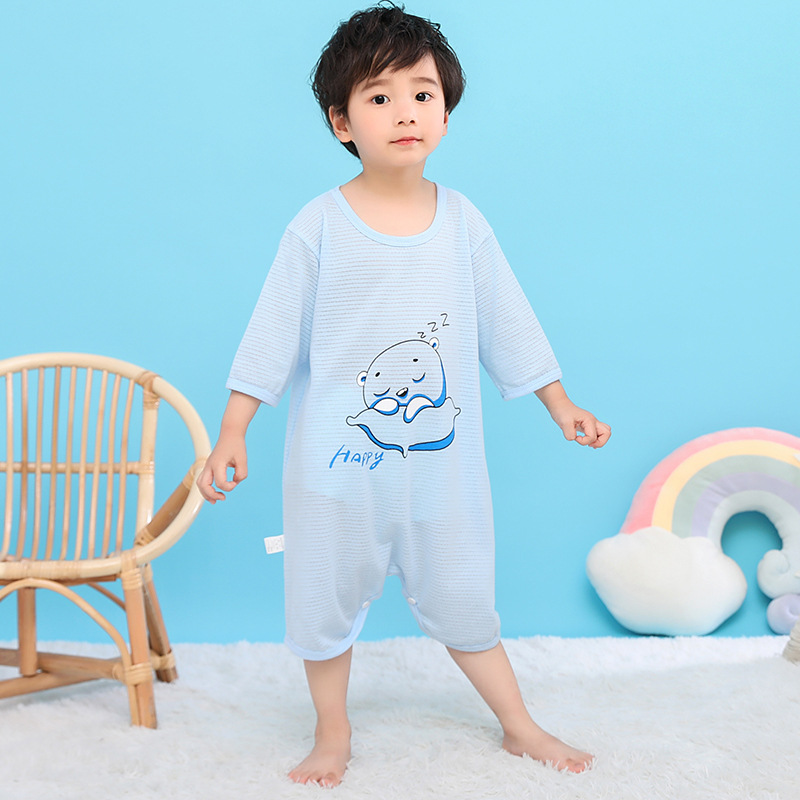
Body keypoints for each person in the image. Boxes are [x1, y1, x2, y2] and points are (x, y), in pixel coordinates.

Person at [197, 2, 611, 787]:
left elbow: (509, 320)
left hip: (441, 470)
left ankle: (519, 725)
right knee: (323, 599)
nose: (405, 112)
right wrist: (233, 432)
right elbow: (270, 333)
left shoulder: (463, 223)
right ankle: (332, 730)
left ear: (446, 114)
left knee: (464, 594)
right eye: (379, 97)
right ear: (342, 122)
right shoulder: (318, 226)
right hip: (335, 468)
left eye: (422, 94)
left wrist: (561, 405)